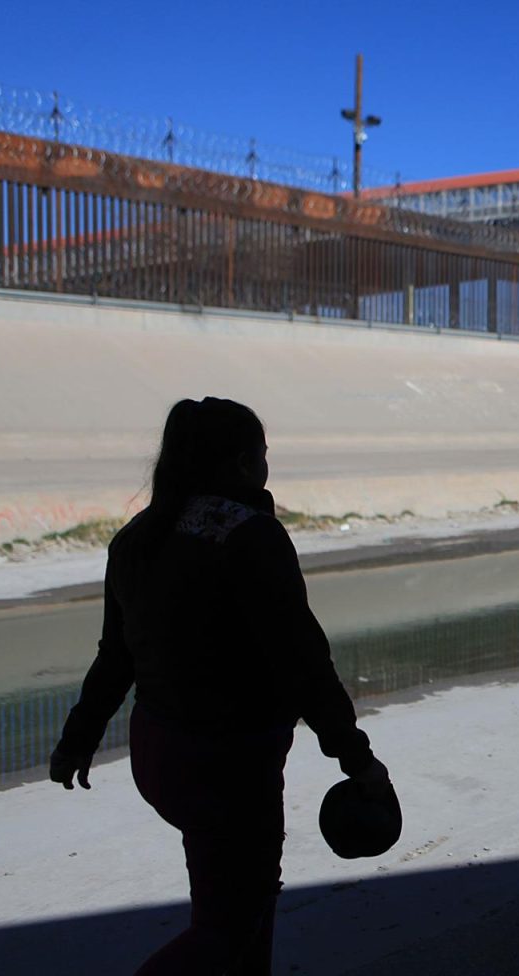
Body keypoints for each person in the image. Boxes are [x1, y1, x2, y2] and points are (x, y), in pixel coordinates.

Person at [49, 397, 391, 975]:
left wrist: (77, 738)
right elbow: (303, 661)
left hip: (158, 753)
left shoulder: (138, 535)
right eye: (261, 455)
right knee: (227, 926)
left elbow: (116, 656)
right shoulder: (250, 537)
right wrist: (356, 759)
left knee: (242, 899)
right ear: (240, 463)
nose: (265, 467)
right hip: (229, 765)